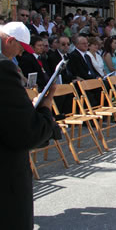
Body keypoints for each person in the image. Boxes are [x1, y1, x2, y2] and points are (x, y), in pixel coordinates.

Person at [0, 22, 57, 230]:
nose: (22, 53)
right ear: (9, 41)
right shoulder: (3, 67)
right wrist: (45, 108)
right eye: (20, 48)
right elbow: (27, 132)